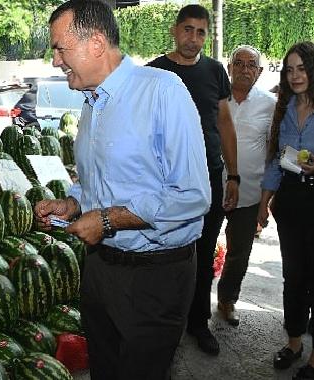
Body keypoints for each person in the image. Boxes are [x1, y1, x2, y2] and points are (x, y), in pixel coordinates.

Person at [34, 2, 210, 379]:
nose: (55, 62)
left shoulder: (162, 92)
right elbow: (98, 181)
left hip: (155, 278)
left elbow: (193, 194)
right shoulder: (91, 101)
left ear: (96, 43)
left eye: (59, 49)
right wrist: (73, 202)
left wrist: (109, 220)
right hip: (100, 270)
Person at [147, 4, 239, 356]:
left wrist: (234, 174)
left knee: (203, 254)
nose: (194, 38)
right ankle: (162, 323)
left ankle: (198, 324)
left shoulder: (215, 71)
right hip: (165, 181)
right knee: (164, 252)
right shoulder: (154, 72)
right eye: (188, 29)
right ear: (174, 30)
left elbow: (225, 124)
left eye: (201, 32)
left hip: (209, 179)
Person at [258, 41, 314, 379]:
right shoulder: (286, 108)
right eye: (289, 69)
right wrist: (263, 204)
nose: (295, 76)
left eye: (302, 68)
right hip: (291, 202)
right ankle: (294, 343)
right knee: (293, 276)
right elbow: (276, 162)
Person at [216, 45, 276, 327]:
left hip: (250, 193)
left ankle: (227, 300)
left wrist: (267, 199)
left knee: (239, 252)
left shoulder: (270, 104)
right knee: (201, 248)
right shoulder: (216, 99)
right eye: (238, 63)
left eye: (251, 64)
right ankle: (194, 307)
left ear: (260, 72)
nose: (244, 69)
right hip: (212, 188)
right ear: (229, 68)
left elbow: (272, 151)